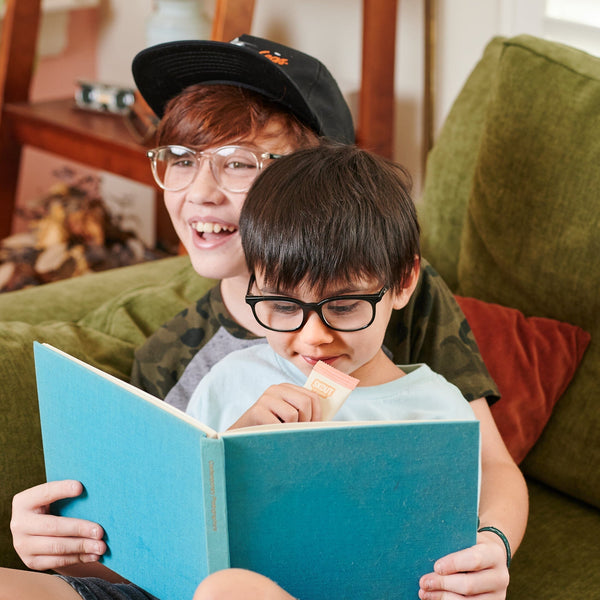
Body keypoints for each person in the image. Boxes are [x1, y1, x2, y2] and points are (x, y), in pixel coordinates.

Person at [6, 35, 527, 600]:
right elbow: (160, 545)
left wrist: (490, 545)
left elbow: (487, 466)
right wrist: (64, 545)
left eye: (238, 163)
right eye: (181, 160)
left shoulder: (407, 301)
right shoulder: (181, 356)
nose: (200, 193)